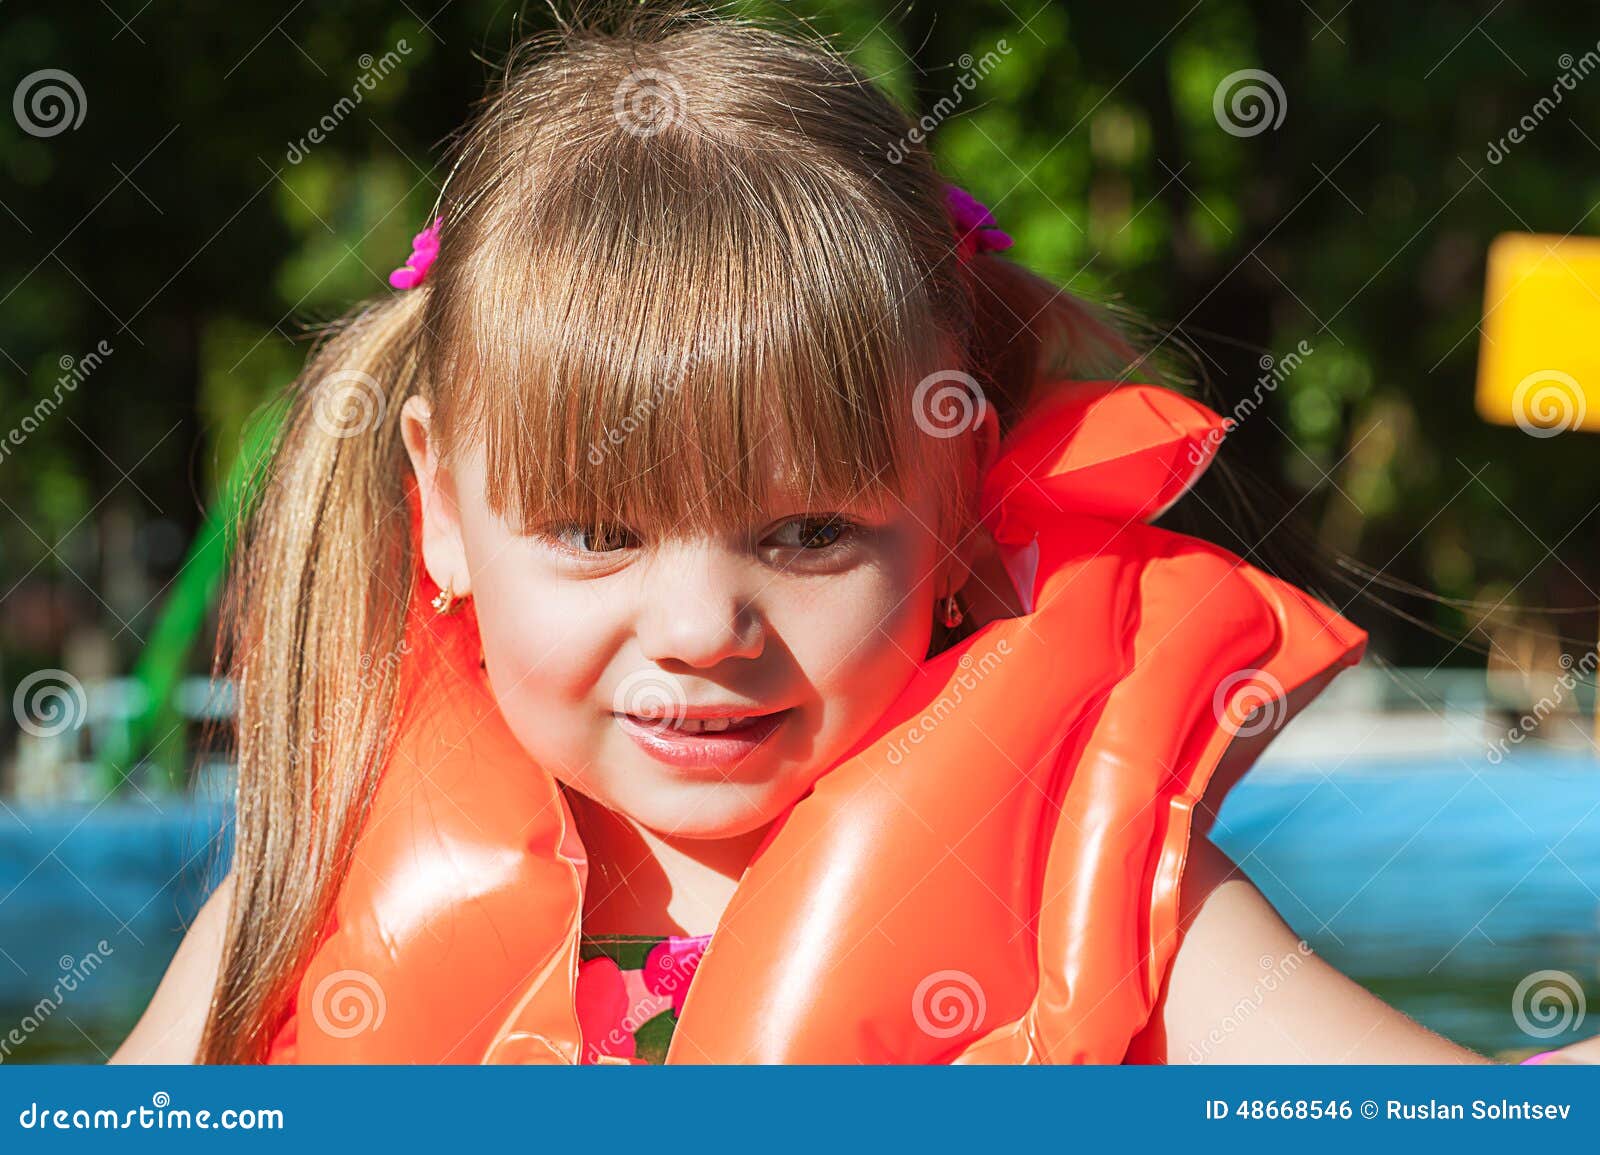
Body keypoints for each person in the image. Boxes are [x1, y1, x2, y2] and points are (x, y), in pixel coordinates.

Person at [110, 2, 1593, 1066]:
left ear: (956, 509)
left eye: (810, 531)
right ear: (436, 507)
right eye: (595, 531)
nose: (700, 627)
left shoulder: (1100, 882)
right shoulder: (310, 891)